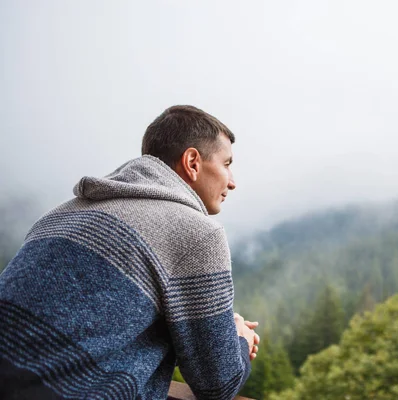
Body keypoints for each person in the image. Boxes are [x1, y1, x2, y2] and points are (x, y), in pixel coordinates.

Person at [0, 105, 259, 400]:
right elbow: (218, 385)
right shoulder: (197, 234)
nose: (232, 181)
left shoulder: (59, 214)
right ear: (192, 162)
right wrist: (239, 337)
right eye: (227, 163)